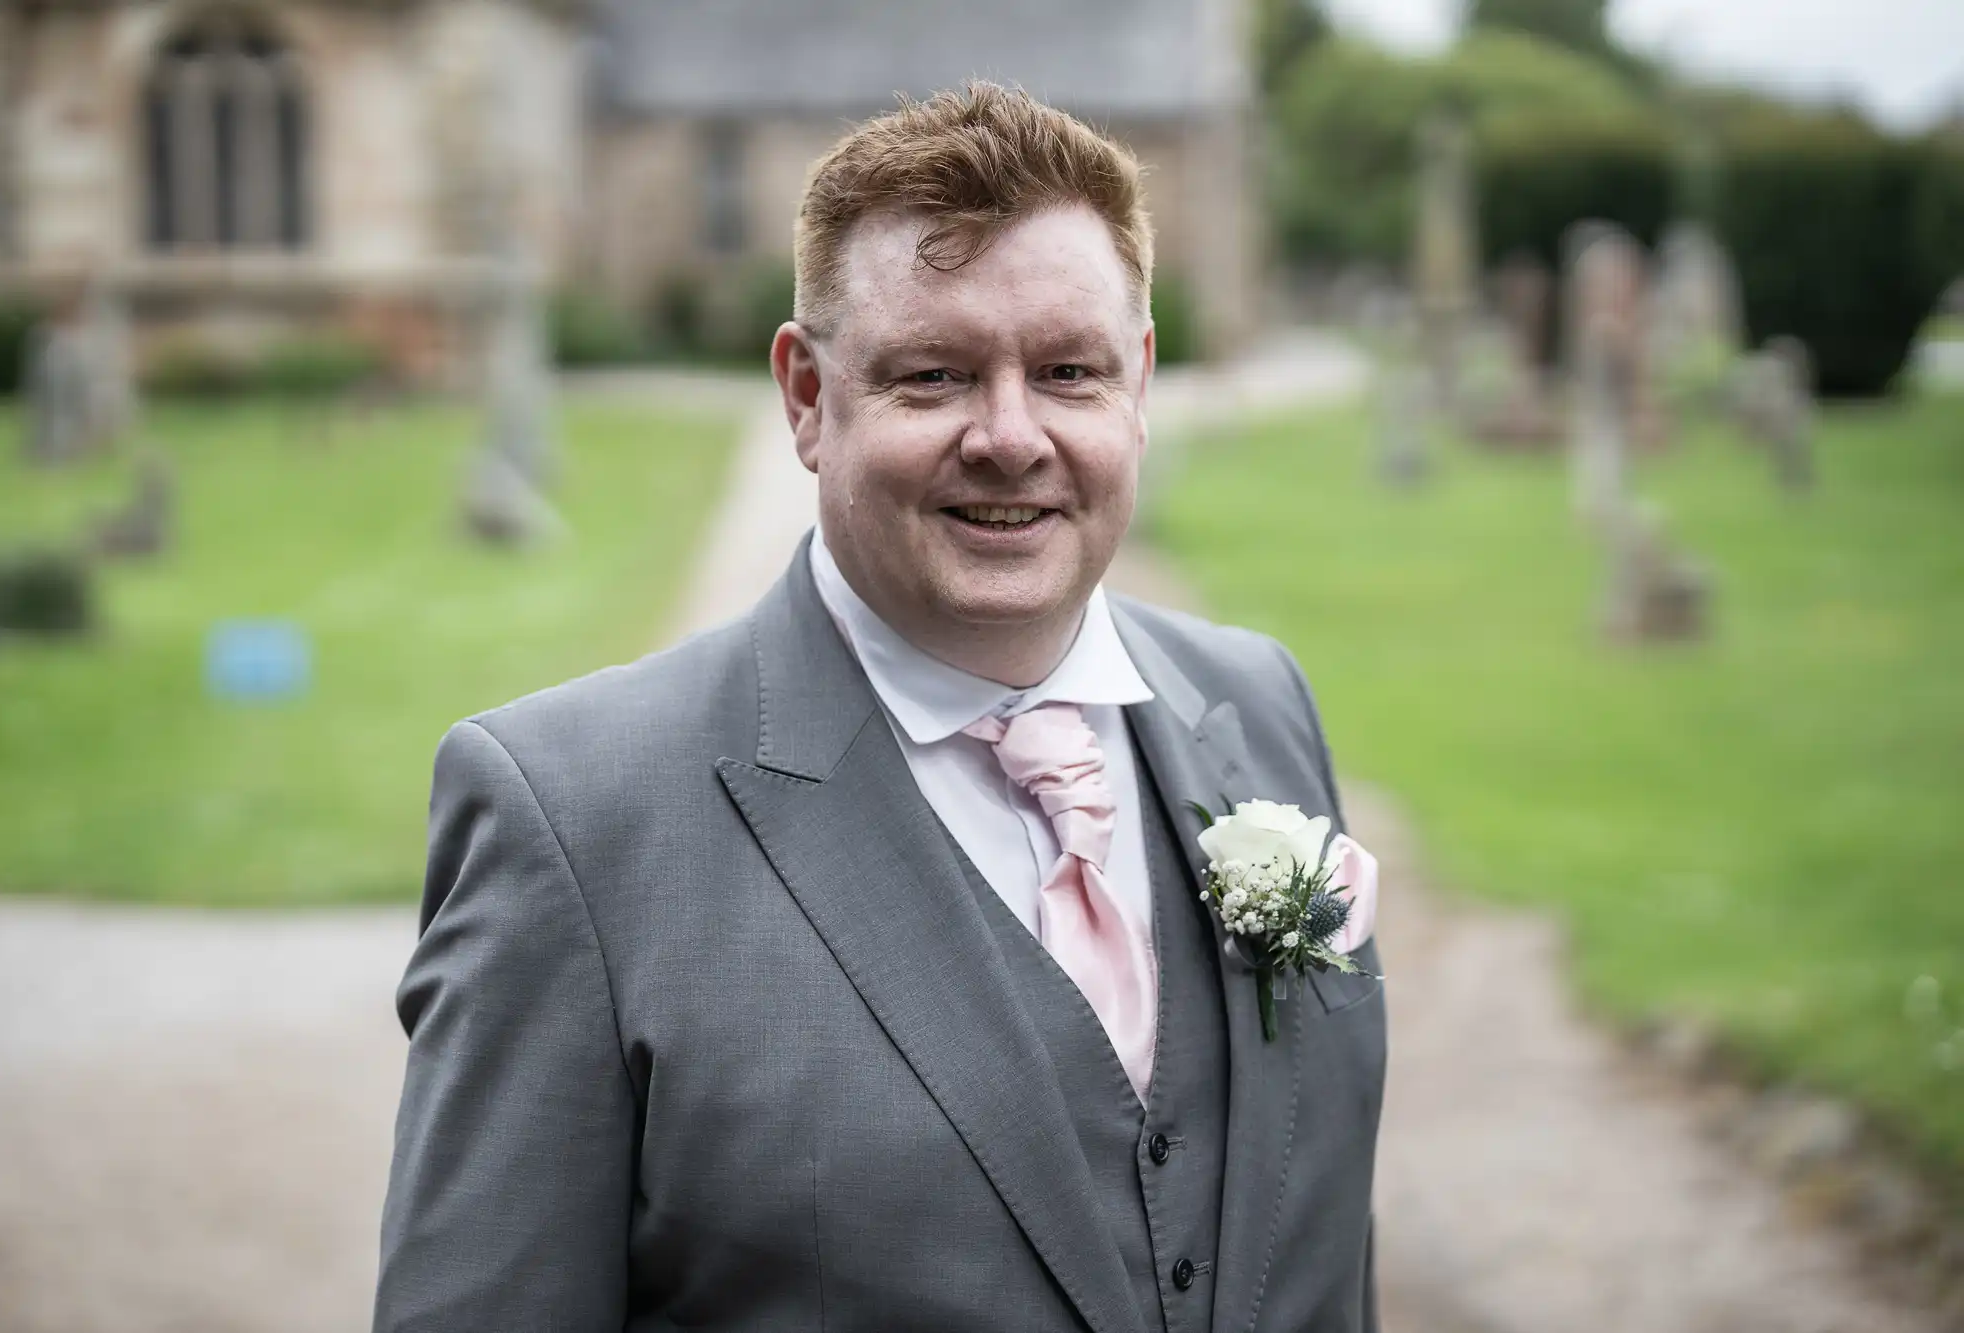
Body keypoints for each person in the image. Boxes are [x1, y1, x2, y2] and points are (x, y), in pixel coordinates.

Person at [375, 83, 1385, 1333]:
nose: (1010, 436)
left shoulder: (1259, 707)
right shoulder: (570, 822)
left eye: (1067, 371)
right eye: (933, 376)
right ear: (806, 396)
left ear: (1137, 383)